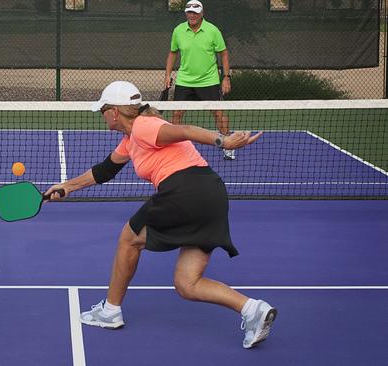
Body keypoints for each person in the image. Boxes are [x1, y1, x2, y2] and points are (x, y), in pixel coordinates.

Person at [45, 81, 276, 349]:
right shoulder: (131, 139)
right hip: (210, 196)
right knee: (187, 284)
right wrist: (67, 187)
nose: (102, 115)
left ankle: (110, 310)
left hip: (184, 190)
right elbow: (105, 170)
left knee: (129, 238)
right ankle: (253, 309)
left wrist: (223, 140)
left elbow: (185, 130)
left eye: (103, 110)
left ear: (115, 112)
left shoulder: (145, 125)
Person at [164, 0, 236, 160]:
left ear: (201, 14)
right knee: (176, 113)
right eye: (189, 12)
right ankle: (174, 146)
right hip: (184, 81)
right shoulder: (178, 31)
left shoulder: (213, 30)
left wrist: (226, 77)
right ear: (186, 14)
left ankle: (228, 145)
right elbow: (172, 53)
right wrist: (167, 75)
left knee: (218, 113)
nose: (192, 15)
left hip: (209, 81)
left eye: (195, 12)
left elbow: (223, 53)